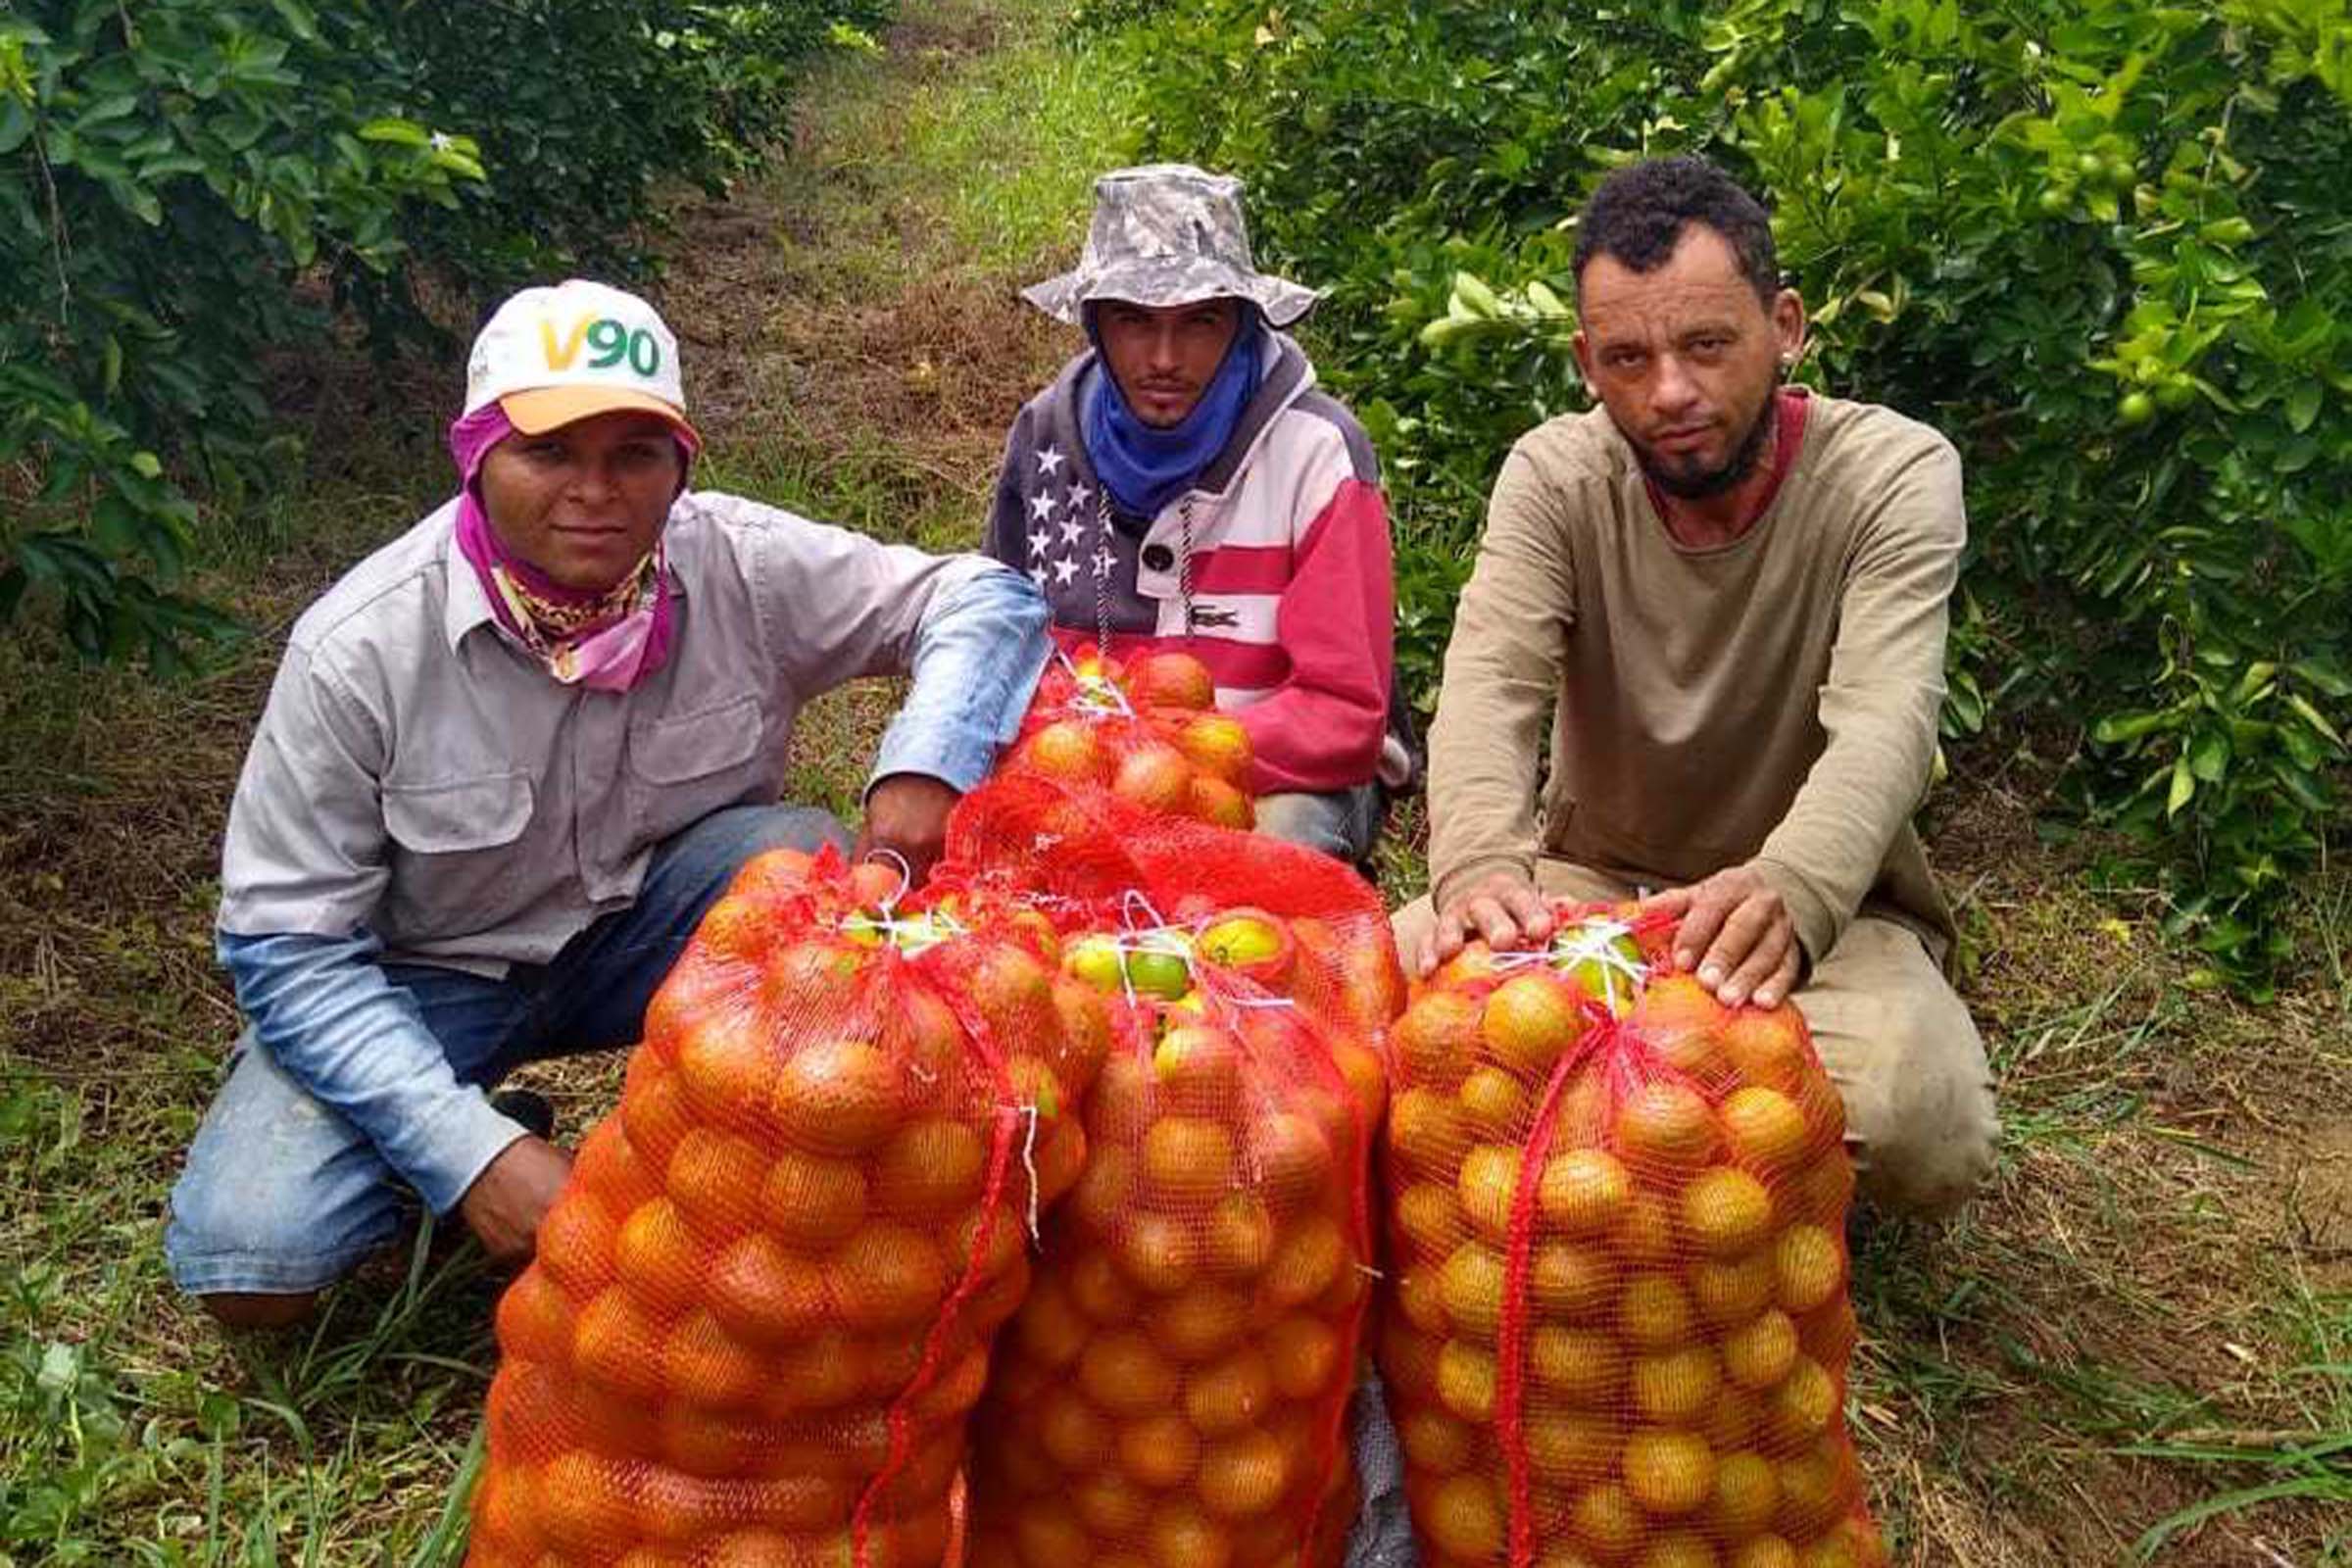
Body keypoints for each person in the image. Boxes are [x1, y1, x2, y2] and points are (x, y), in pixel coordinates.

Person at [167, 279, 1050, 1327]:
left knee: (792, 862)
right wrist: (469, 1153)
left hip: (650, 935)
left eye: (634, 454)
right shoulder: (360, 648)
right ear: (476, 457)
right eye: (549, 452)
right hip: (426, 981)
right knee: (252, 1258)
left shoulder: (738, 563)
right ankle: (469, 1130)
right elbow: (288, 947)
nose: (595, 491)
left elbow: (983, 595)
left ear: (680, 466)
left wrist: (927, 766)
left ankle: (755, 1172)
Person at [1396, 156, 1998, 1220]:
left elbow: (1886, 722)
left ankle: (1632, 1147)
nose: (1670, 392)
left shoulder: (1894, 475)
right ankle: (1628, 1160)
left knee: (1922, 1121)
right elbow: (1490, 683)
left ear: (1786, 326)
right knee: (1367, 1016)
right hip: (1586, 890)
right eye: (1628, 358)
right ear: (1587, 363)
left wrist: (1793, 887)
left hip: (1813, 917)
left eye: (1707, 345)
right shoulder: (1555, 477)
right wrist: (1482, 868)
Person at [988, 163, 1413, 863]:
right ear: (1096, 324)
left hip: (1274, 774)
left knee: (1275, 845)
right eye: (1134, 321)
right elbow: (993, 650)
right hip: (1088, 774)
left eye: (1199, 322)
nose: (1164, 358)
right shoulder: (1043, 438)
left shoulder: (1318, 452)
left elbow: (1343, 715)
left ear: (1242, 323)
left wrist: (1166, 751)